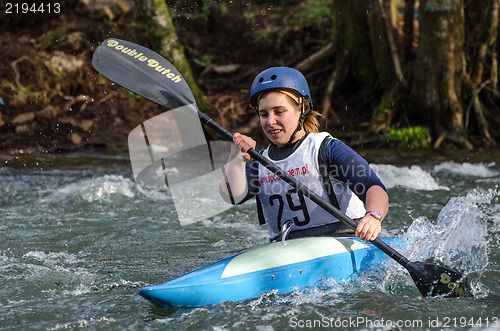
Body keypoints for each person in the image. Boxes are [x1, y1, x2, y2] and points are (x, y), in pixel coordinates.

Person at [220, 67, 388, 243]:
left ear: (301, 108)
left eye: (279, 112)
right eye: (263, 114)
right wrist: (236, 158)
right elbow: (233, 196)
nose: (270, 121)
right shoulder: (260, 161)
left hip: (342, 239)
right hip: (285, 247)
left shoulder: (325, 149)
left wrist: (373, 216)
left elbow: (372, 186)